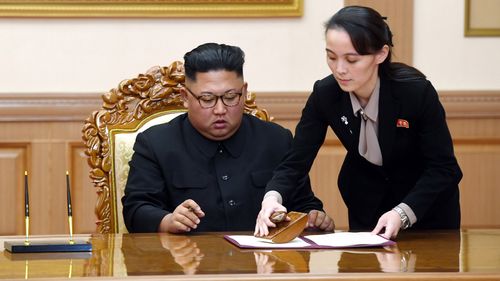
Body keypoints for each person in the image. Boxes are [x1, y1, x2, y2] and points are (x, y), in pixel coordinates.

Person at [254, 6, 462, 239]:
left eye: (352, 59)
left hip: (426, 208)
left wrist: (402, 213)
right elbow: (295, 162)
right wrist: (272, 198)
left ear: (381, 54)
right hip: (367, 204)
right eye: (331, 57)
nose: (339, 69)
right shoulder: (326, 94)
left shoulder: (415, 93)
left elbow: (445, 168)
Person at [122, 42, 334, 233]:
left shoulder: (277, 140)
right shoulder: (155, 144)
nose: (220, 109)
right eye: (207, 99)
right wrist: (168, 220)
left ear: (244, 92)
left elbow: (304, 205)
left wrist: (315, 217)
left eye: (231, 97)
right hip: (187, 267)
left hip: (261, 267)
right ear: (185, 97)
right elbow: (135, 210)